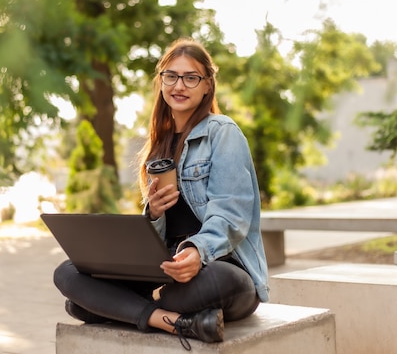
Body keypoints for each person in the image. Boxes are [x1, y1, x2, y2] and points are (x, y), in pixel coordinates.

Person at [53, 37, 269, 351]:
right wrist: (152, 214)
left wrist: (197, 252)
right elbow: (158, 234)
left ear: (207, 85)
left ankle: (115, 306)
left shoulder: (222, 132)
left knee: (189, 289)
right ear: (161, 81)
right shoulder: (159, 145)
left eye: (190, 77)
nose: (179, 85)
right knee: (68, 272)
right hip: (167, 269)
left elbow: (231, 215)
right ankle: (172, 321)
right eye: (170, 75)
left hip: (221, 268)